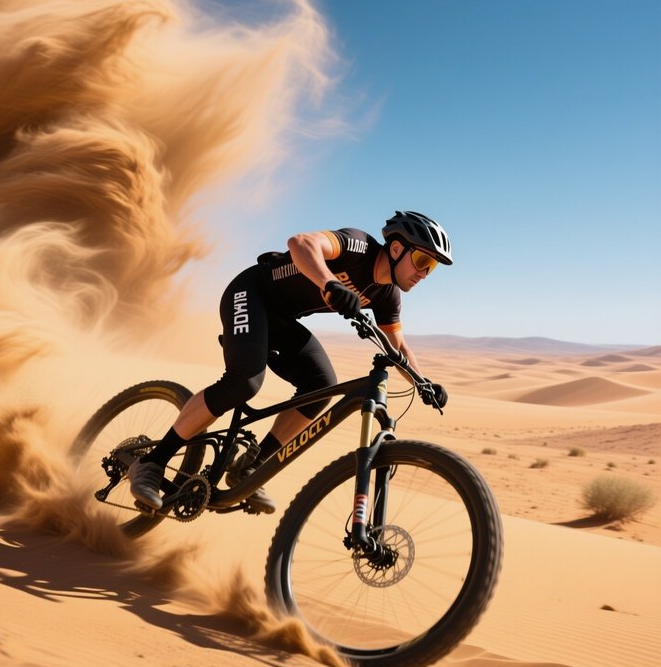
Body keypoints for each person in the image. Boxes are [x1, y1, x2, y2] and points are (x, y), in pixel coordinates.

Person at [129, 210, 452, 514]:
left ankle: (249, 467)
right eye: (422, 260)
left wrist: (423, 382)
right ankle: (152, 462)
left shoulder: (386, 296)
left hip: (282, 320)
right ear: (396, 248)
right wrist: (330, 283)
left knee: (323, 387)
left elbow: (397, 346)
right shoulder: (359, 246)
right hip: (251, 292)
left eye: (432, 267)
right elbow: (301, 243)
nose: (424, 273)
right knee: (244, 382)